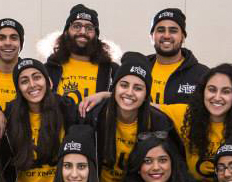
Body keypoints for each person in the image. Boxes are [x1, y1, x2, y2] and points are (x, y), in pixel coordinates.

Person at [79, 9, 209, 135]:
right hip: (142, 148)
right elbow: (125, 99)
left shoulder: (202, 74)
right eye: (160, 30)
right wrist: (105, 95)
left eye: (173, 30)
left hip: (182, 151)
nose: (167, 35)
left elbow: (203, 115)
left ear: (183, 37)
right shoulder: (139, 66)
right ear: (152, 36)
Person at [89, 52, 183, 182]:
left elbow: (174, 167)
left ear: (146, 95)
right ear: (114, 88)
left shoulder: (159, 123)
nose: (130, 92)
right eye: (124, 85)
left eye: (138, 88)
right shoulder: (95, 115)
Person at [6, 58, 80, 182]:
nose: (32, 85)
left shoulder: (65, 108)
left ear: (48, 82)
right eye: (24, 81)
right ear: (18, 89)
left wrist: (104, 95)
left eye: (37, 77)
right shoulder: (10, 115)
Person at [46, 4, 118, 104]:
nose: (83, 32)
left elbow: (126, 97)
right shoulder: (50, 68)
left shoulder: (112, 70)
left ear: (96, 35)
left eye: (89, 28)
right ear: (66, 32)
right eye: (77, 26)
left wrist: (105, 95)